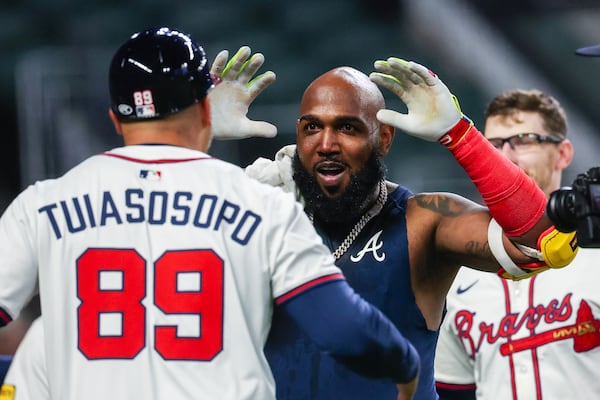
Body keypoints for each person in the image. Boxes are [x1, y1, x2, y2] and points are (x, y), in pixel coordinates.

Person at [0, 27, 423, 400]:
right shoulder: (260, 203)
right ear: (205, 109)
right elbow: (342, 328)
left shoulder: (42, 204)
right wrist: (405, 366)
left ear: (114, 118)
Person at [234, 57, 569, 399]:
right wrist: (199, 143)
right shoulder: (263, 215)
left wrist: (459, 134)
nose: (326, 144)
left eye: (347, 128)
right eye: (312, 128)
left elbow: (544, 241)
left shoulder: (423, 221)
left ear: (384, 138)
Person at [433, 97, 600, 398]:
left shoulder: (595, 251)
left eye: (524, 141)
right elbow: (453, 390)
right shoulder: (457, 269)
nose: (505, 156)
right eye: (493, 145)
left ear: (563, 154)